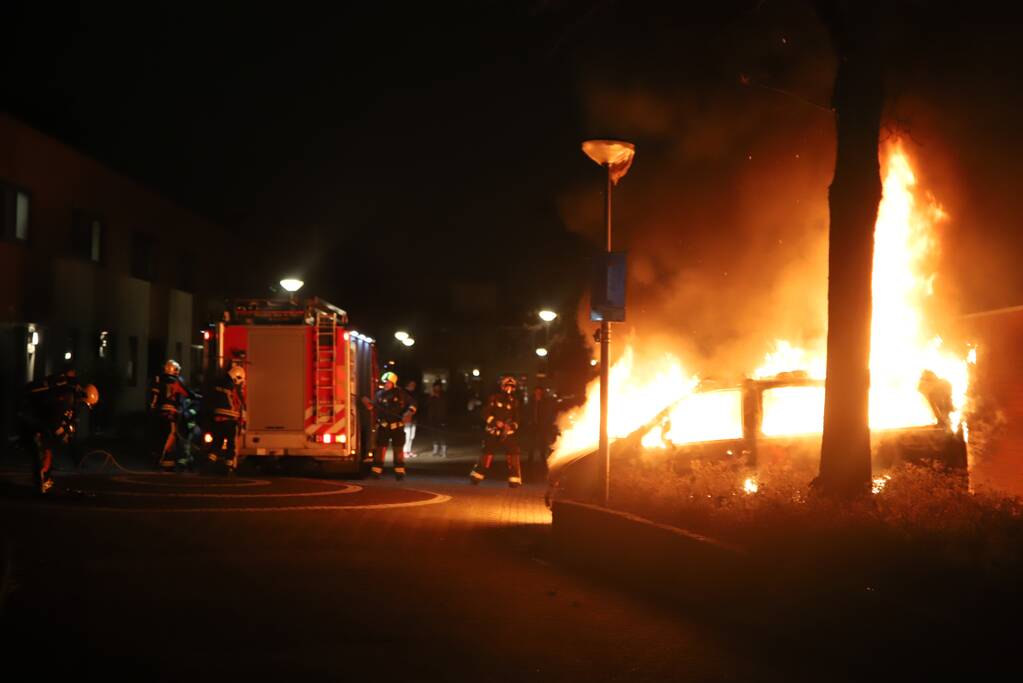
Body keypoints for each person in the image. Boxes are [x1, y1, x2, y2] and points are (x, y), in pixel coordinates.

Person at [17, 370, 99, 494]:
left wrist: (66, 430)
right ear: (83, 396)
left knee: (47, 449)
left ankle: (43, 480)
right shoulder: (68, 398)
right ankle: (40, 482)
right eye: (86, 404)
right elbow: (54, 420)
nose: (84, 406)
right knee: (42, 450)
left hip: (41, 420)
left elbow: (63, 418)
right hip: (35, 418)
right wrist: (62, 434)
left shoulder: (71, 397)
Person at [361, 371, 417, 480]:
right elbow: (373, 407)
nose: (386, 384)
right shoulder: (379, 394)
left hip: (397, 426)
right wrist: (367, 403)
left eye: (388, 382)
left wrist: (409, 413)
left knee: (398, 449)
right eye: (385, 382)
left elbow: (413, 404)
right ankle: (376, 472)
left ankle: (399, 473)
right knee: (380, 449)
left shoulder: (401, 394)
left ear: (393, 383)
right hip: (384, 426)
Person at [470, 376, 523, 488]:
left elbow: (517, 418)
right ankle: (476, 476)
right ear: (502, 387)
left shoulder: (515, 402)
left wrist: (511, 426)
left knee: (514, 452)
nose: (509, 388)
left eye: (511, 387)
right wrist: (495, 422)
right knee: (487, 453)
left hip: (507, 433)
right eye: (507, 386)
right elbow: (484, 413)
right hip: (493, 432)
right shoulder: (494, 398)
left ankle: (514, 480)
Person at [147, 359, 197, 470]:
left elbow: (153, 397)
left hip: (159, 414)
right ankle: (162, 460)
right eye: (176, 370)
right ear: (173, 370)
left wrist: (152, 409)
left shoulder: (158, 379)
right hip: (172, 414)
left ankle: (163, 461)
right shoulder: (177, 381)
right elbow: (188, 393)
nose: (177, 372)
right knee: (173, 435)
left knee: (161, 436)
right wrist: (197, 396)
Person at [206, 364, 246, 473]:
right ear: (236, 377)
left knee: (216, 443)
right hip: (230, 421)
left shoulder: (217, 384)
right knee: (231, 445)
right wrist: (242, 423)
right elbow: (241, 405)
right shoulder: (235, 389)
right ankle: (228, 467)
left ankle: (209, 464)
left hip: (218, 420)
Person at [522, 386, 556, 464]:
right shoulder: (531, 401)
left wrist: (545, 422)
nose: (538, 393)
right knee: (531, 441)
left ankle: (543, 457)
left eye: (539, 392)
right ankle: (530, 457)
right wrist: (528, 421)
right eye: (536, 391)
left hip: (542, 425)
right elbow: (527, 411)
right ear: (534, 392)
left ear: (541, 392)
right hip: (532, 424)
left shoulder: (545, 401)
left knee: (542, 441)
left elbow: (548, 412)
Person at [424, 380, 448, 457]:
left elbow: (446, 405)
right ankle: (435, 450)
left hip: (442, 418)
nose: (437, 388)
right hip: (432, 418)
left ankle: (443, 451)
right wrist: (431, 396)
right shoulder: (431, 395)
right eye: (435, 387)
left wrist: (438, 397)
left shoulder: (444, 395)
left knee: (442, 434)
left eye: (438, 387)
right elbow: (426, 404)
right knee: (433, 434)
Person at [403, 379, 419, 459]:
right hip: (407, 417)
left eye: (414, 384)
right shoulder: (404, 393)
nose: (413, 386)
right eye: (412, 384)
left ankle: (408, 450)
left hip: (414, 418)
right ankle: (404, 451)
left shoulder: (414, 394)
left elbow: (416, 404)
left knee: (412, 436)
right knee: (407, 435)